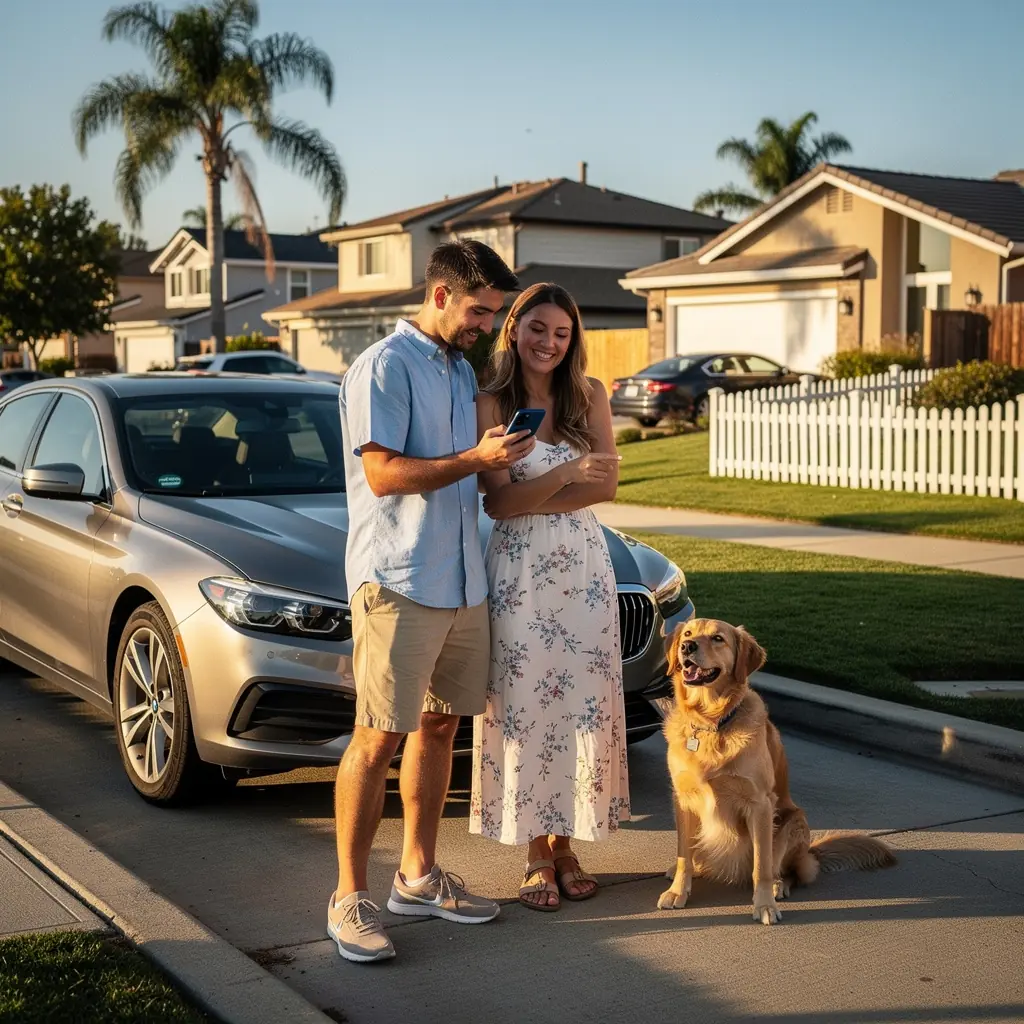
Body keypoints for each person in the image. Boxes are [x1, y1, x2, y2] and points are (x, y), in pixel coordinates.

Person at [330, 241, 532, 963]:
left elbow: (469, 473)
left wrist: (500, 458)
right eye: (479, 311)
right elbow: (383, 475)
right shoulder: (383, 366)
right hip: (399, 579)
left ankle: (416, 878)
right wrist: (476, 459)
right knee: (377, 737)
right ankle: (348, 898)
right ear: (440, 295)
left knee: (441, 727)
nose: (487, 326)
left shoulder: (459, 369)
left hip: (461, 581)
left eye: (494, 314)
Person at [469, 282, 630, 911]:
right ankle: (537, 851)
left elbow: (606, 487)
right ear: (514, 328)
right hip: (520, 573)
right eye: (538, 328)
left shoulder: (590, 395)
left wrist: (542, 490)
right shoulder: (491, 401)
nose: (549, 343)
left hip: (584, 570)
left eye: (562, 333)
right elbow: (499, 502)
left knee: (581, 705)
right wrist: (565, 473)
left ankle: (567, 846)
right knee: (527, 705)